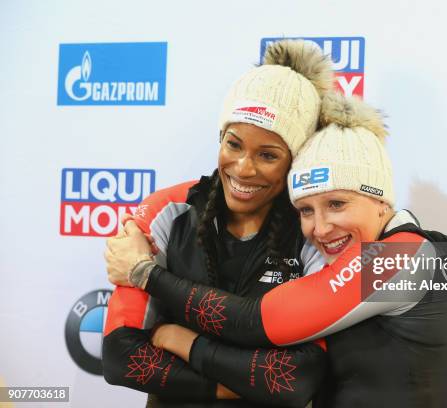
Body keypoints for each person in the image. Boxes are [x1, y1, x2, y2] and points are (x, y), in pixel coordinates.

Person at [106, 92, 447, 407]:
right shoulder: (404, 252)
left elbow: (258, 321)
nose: (320, 228)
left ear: (381, 201)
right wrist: (143, 218)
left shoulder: (402, 257)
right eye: (306, 210)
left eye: (337, 204)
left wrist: (145, 276)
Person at [102, 39, 335, 408]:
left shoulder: (316, 232)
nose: (243, 167)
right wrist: (244, 381)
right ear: (220, 138)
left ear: (295, 161)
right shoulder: (168, 208)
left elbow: (296, 382)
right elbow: (121, 358)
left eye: (268, 155)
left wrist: (178, 339)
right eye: (234, 144)